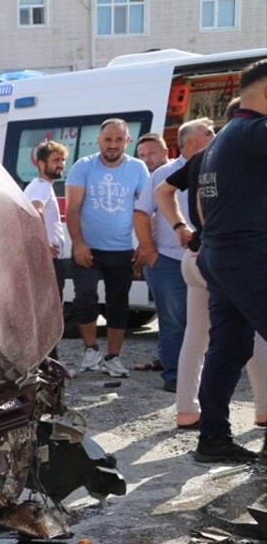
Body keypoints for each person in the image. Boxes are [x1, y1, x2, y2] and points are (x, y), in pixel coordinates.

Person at [155, 102, 266, 433]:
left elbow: (163, 192)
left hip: (198, 256)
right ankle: (262, 410)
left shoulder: (201, 159)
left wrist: (180, 228)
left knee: (196, 339)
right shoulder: (239, 159)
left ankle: (187, 410)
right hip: (224, 257)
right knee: (252, 337)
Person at [191, 59, 267, 462]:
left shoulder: (221, 140)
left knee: (229, 347)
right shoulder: (253, 132)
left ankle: (213, 438)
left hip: (222, 254)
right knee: (226, 347)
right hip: (243, 254)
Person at [65, 118, 152, 378]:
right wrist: (79, 243)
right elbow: (72, 208)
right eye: (107, 139)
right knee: (85, 297)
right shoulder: (83, 167)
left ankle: (113, 358)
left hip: (121, 248)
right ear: (99, 141)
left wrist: (145, 245)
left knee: (118, 303)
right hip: (88, 248)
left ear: (127, 141)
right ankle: (90, 350)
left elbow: (145, 209)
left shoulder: (137, 169)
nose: (113, 145)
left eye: (118, 139)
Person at [131, 130, 189, 389]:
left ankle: (184, 369)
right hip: (166, 259)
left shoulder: (186, 170)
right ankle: (174, 373)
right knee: (172, 319)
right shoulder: (153, 177)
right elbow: (141, 216)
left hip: (195, 257)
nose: (147, 158)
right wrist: (151, 254)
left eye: (152, 153)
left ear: (167, 151)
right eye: (142, 155)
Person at [23, 140, 69, 365]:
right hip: (48, 260)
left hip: (43, 259)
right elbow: (34, 210)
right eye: (56, 160)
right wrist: (44, 245)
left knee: (43, 312)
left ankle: (45, 361)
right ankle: (50, 363)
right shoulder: (41, 186)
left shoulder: (37, 185)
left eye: (62, 160)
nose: (61, 165)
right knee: (50, 313)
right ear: (41, 164)